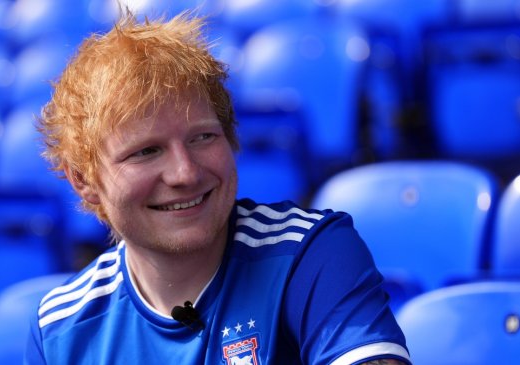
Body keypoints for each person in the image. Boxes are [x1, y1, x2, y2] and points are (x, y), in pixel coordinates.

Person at [25, 10, 411, 365]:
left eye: (202, 137)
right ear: (84, 180)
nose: (185, 173)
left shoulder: (308, 253)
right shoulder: (59, 328)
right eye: (146, 151)